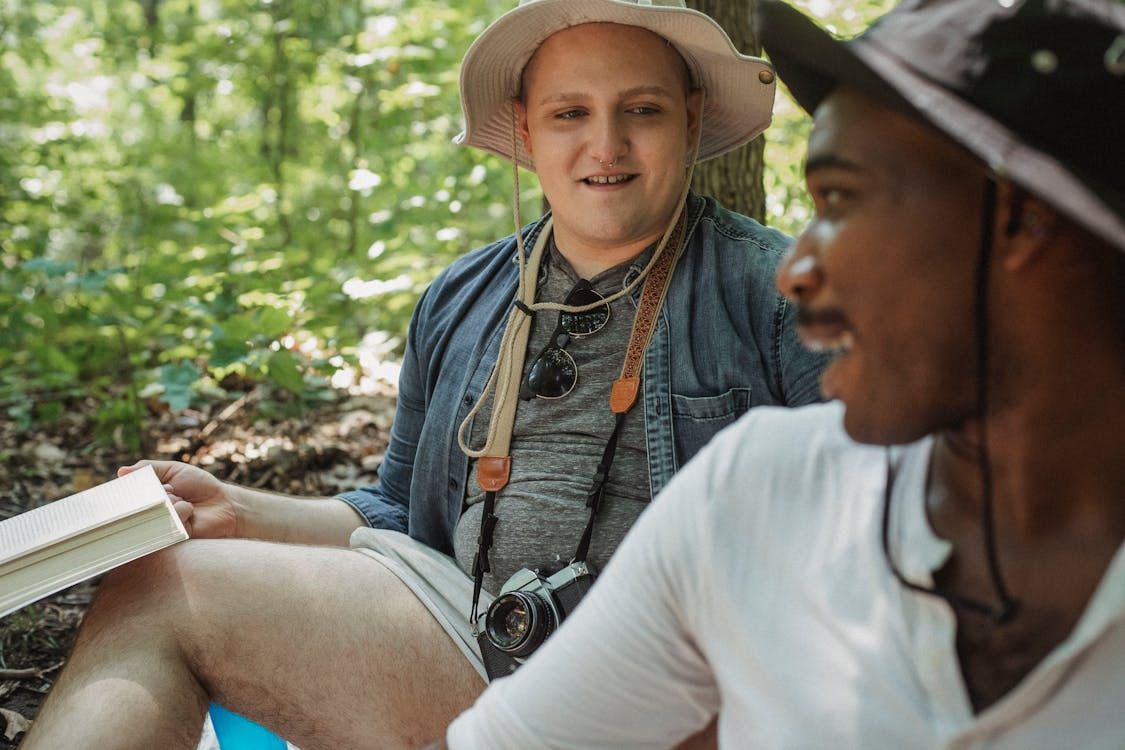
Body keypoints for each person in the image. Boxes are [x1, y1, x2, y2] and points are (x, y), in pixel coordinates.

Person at [22, 1, 825, 747]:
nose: (606, 144)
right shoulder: (462, 296)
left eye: (641, 110)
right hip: (472, 643)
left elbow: (857, 534)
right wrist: (237, 509)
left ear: (690, 120)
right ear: (526, 129)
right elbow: (400, 514)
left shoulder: (780, 291)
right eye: (569, 113)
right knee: (155, 583)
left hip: (680, 689)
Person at [436, 0, 1125, 746]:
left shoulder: (763, 402)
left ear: (1022, 220)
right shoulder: (753, 494)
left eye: (840, 198)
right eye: (570, 112)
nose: (795, 269)